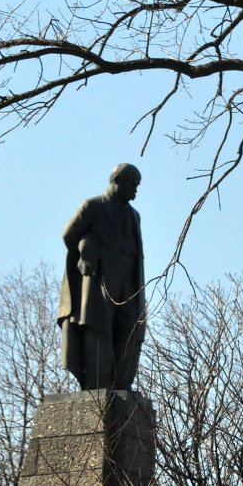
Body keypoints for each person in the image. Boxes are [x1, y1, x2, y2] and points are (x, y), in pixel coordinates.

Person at [58, 163, 146, 391]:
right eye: (131, 185)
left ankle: (121, 383)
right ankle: (98, 382)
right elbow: (69, 235)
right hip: (101, 276)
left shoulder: (134, 215)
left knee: (128, 328)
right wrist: (86, 246)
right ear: (116, 180)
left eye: (137, 186)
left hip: (130, 278)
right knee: (100, 327)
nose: (135, 191)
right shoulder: (93, 206)